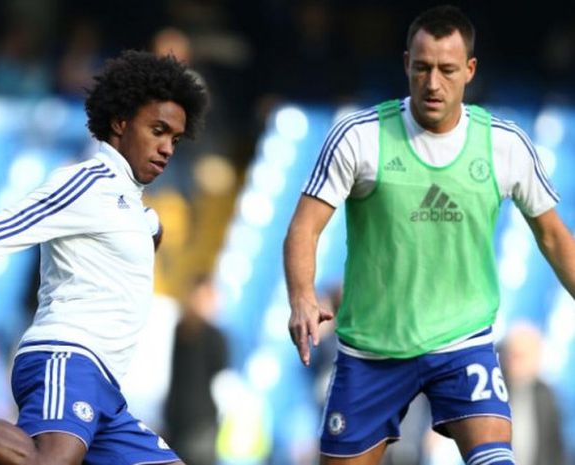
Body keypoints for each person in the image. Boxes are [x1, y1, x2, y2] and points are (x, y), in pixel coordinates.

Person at [0, 50, 208, 465]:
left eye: (174, 139)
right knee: (45, 461)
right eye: (157, 131)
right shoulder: (87, 182)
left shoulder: (138, 211)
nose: (166, 148)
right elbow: (12, 224)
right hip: (65, 356)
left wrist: (150, 232)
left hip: (106, 387)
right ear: (121, 122)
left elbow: (130, 237)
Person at [283, 5, 575, 465]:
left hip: (463, 344)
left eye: (446, 69)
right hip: (372, 351)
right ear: (406, 65)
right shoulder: (359, 138)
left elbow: (555, 238)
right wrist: (301, 294)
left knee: (495, 459)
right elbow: (303, 227)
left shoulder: (505, 144)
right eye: (422, 68)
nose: (433, 82)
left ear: (470, 71)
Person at [164, 274, 228, 465]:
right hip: (202, 423)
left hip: (176, 418)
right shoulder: (215, 336)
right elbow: (220, 379)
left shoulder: (179, 330)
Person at [500, 322, 566, 465]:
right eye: (511, 355)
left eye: (520, 356)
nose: (514, 362)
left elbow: (556, 448)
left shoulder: (546, 395)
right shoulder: (497, 393)